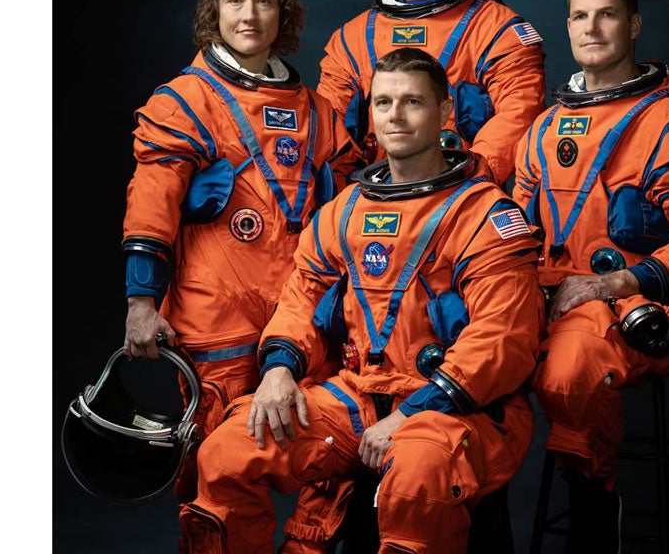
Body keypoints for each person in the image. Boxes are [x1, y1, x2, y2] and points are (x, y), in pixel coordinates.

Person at [180, 48, 544, 554]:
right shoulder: (343, 211)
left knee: (417, 477)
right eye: (383, 102)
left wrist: (414, 410)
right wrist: (280, 368)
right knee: (226, 450)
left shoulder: (484, 215)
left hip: (460, 407)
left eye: (412, 102)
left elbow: (504, 340)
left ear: (443, 114)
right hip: (357, 396)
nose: (394, 115)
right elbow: (301, 297)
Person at [119, 0, 361, 548]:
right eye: (234, 1)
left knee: (325, 455)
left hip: (304, 319)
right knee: (217, 471)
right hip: (214, 323)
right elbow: (150, 205)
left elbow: (360, 207)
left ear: (284, 12)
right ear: (215, 12)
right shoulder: (183, 102)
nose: (249, 14)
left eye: (262, 0)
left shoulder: (319, 114)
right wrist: (141, 301)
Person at [512, 0, 669, 551]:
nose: (592, 27)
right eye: (580, 16)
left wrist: (616, 281)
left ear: (633, 24)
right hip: (551, 298)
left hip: (643, 303)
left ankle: (593, 507)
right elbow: (514, 233)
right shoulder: (543, 129)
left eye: (607, 14)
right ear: (567, 27)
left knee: (570, 367)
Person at [317, 0, 547, 184]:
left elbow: (518, 115)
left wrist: (464, 186)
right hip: (371, 202)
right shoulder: (353, 39)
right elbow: (326, 129)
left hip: (460, 201)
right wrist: (349, 196)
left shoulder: (498, 30)